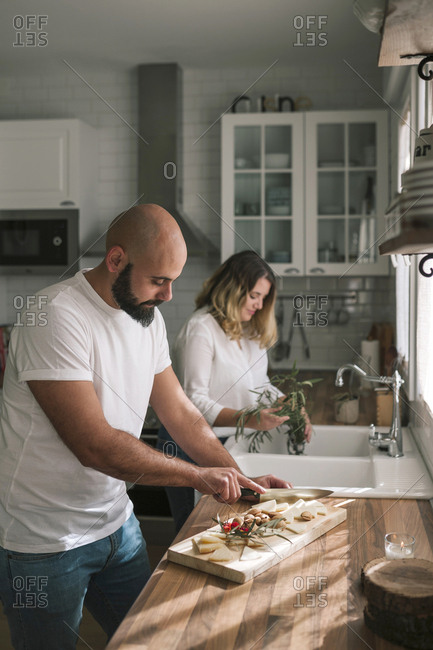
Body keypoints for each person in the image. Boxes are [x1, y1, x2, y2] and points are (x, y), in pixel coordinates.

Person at [0, 205, 291, 650]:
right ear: (116, 260)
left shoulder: (147, 317)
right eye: (159, 280)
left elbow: (180, 411)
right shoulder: (55, 315)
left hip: (117, 527)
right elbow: (94, 446)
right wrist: (199, 476)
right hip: (45, 544)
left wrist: (237, 476)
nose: (169, 294)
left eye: (172, 280)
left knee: (157, 641)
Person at [157, 250, 311, 531]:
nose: (259, 304)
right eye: (254, 295)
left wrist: (291, 405)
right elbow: (194, 401)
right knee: (193, 531)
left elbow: (260, 383)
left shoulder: (250, 331)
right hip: (188, 447)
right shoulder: (201, 328)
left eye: (264, 298)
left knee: (227, 527)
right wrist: (248, 418)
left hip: (229, 444)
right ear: (233, 288)